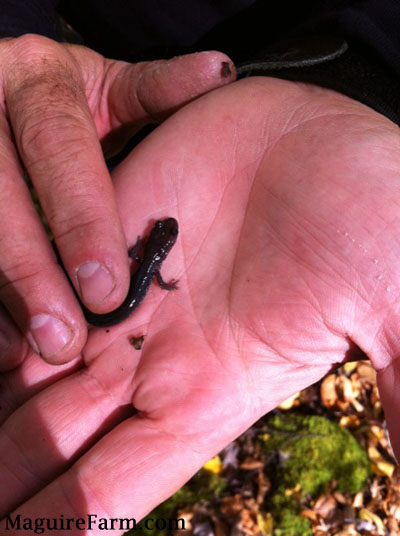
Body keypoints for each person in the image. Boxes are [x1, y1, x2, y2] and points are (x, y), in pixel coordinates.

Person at [1, 0, 400, 530]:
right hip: (135, 83)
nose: (163, 237)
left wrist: (359, 78)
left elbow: (149, 266)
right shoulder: (157, 252)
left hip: (205, 91)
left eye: (163, 238)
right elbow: (153, 269)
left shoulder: (155, 250)